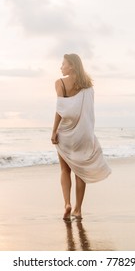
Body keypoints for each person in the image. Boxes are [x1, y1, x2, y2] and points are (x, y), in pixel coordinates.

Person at [51, 53, 111, 220]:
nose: (61, 67)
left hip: (66, 133)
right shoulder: (88, 86)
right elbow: (88, 112)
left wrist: (54, 130)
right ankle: (78, 209)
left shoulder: (60, 83)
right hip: (83, 134)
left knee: (64, 170)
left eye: (63, 64)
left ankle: (67, 204)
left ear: (72, 66)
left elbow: (60, 110)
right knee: (79, 171)